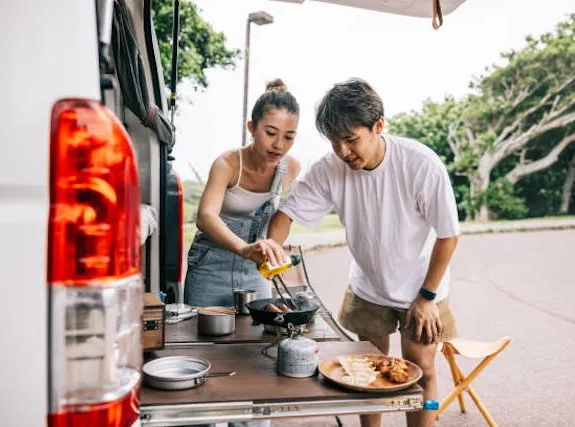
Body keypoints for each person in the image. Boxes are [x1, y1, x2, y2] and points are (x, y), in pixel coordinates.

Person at [264, 78, 461, 427]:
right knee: (367, 368)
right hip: (369, 286)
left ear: (378, 125)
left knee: (423, 368)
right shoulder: (329, 168)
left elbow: (448, 235)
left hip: (422, 286)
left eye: (351, 139)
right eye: (334, 141)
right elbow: (286, 216)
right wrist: (271, 250)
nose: (342, 151)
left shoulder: (420, 165)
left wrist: (427, 296)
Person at [183, 78, 301, 427]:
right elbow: (205, 217)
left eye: (289, 136)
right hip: (210, 266)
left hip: (255, 269)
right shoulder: (227, 164)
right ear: (251, 128)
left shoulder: (290, 168)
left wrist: (272, 248)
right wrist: (243, 247)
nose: (279, 144)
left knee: (256, 357)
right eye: (270, 132)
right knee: (203, 356)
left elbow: (282, 218)